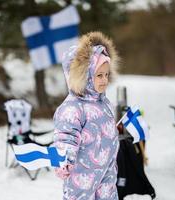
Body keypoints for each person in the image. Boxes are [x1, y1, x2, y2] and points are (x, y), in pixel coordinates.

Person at [53, 31, 120, 200]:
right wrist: (64, 159)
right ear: (85, 76)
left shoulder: (104, 102)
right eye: (99, 75)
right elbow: (65, 136)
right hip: (81, 176)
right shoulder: (72, 108)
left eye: (106, 75)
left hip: (107, 172)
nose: (104, 80)